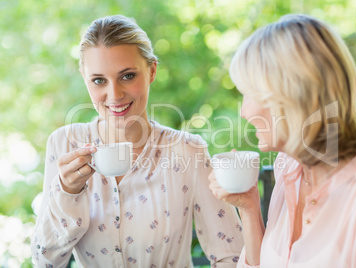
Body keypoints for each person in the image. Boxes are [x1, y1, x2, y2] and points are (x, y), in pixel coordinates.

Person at [31, 15, 243, 267]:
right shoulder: (64, 143)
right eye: (99, 80)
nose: (114, 94)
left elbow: (233, 256)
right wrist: (68, 192)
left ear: (151, 70)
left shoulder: (187, 150)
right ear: (84, 77)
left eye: (128, 76)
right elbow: (45, 261)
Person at [209, 14, 356, 267]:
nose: (244, 112)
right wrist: (248, 208)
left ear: (291, 96)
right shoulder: (288, 168)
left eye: (249, 94)